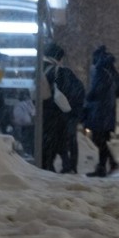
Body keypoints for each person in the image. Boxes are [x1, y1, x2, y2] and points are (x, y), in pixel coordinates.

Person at [83, 45, 119, 177]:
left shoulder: (100, 71)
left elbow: (96, 91)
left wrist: (88, 98)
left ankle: (107, 165)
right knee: (102, 139)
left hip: (100, 111)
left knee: (98, 139)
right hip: (109, 110)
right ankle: (105, 165)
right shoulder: (113, 72)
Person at [41, 41, 80, 172]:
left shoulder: (39, 68)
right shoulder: (60, 71)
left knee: (49, 141)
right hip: (56, 112)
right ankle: (65, 165)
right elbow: (73, 91)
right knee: (59, 140)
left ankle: (49, 165)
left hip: (43, 112)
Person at [12, 89, 35, 155]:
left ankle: (29, 152)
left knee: (29, 143)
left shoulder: (29, 104)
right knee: (27, 143)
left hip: (29, 128)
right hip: (25, 127)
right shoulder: (20, 105)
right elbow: (22, 119)